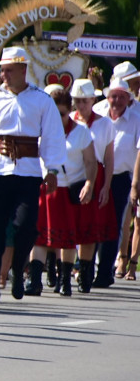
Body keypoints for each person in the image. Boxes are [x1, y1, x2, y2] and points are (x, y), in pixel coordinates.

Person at [0, 47, 66, 302]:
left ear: (23, 70)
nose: (3, 75)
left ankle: (19, 271)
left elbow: (52, 136)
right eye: (2, 70)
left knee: (25, 227)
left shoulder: (41, 100)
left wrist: (51, 169)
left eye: (8, 70)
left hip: (28, 173)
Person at [34, 86, 96, 297]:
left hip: (68, 190)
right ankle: (35, 280)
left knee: (68, 237)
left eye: (60, 113)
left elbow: (90, 162)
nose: (57, 118)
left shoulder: (81, 131)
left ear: (69, 111)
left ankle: (65, 280)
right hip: (45, 189)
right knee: (40, 236)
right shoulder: (41, 130)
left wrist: (89, 183)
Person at [91, 77, 140, 288]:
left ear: (128, 99)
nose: (117, 101)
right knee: (90, 220)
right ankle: (84, 266)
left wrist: (135, 185)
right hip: (94, 174)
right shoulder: (97, 113)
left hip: (120, 178)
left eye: (122, 97)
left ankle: (104, 272)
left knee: (113, 225)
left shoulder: (136, 119)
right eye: (114, 96)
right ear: (107, 97)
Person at [70, 78, 117, 292]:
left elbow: (108, 157)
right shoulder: (70, 120)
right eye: (77, 101)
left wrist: (106, 185)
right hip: (73, 174)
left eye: (85, 101)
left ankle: (86, 273)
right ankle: (67, 269)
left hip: (95, 175)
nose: (81, 106)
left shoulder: (104, 123)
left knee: (91, 225)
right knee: (71, 223)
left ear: (93, 100)